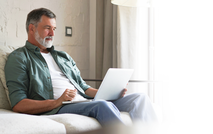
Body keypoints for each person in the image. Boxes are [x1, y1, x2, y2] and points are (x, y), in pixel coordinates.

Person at [5, 8, 157, 126]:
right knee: (101, 105)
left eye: (54, 29)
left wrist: (110, 92)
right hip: (58, 107)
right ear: (31, 28)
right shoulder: (19, 58)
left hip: (83, 101)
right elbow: (18, 104)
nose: (52, 33)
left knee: (140, 98)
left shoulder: (62, 57)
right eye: (47, 28)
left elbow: (83, 87)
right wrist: (57, 102)